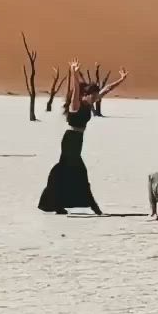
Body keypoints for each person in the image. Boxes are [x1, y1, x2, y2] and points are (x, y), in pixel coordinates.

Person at [39, 59, 127, 215]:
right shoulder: (76, 105)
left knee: (66, 171)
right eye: (92, 95)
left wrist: (121, 79)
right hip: (70, 141)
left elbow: (106, 89)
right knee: (78, 172)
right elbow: (75, 92)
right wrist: (73, 73)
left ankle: (57, 204)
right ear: (85, 94)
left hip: (77, 141)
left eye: (95, 96)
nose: (95, 98)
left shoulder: (88, 103)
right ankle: (93, 206)